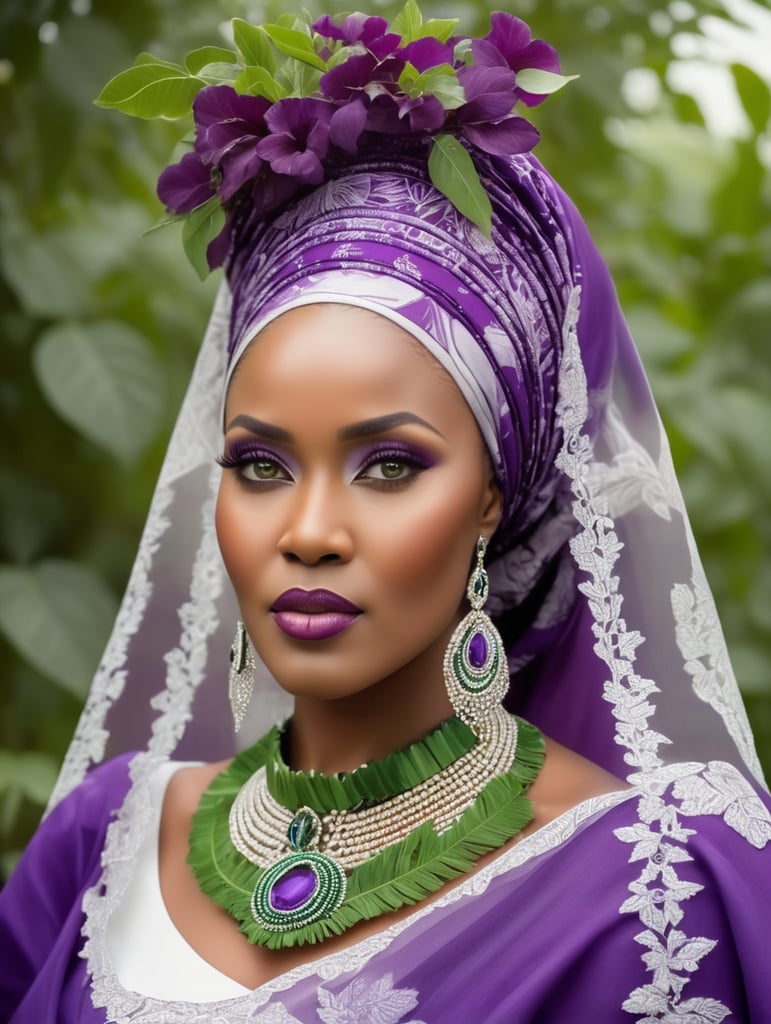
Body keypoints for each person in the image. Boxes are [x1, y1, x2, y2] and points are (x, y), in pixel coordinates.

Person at [1, 7, 769, 1022]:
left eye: (390, 464)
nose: (309, 529)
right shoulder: (100, 843)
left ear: (495, 496)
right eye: (261, 463)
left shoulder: (652, 898)